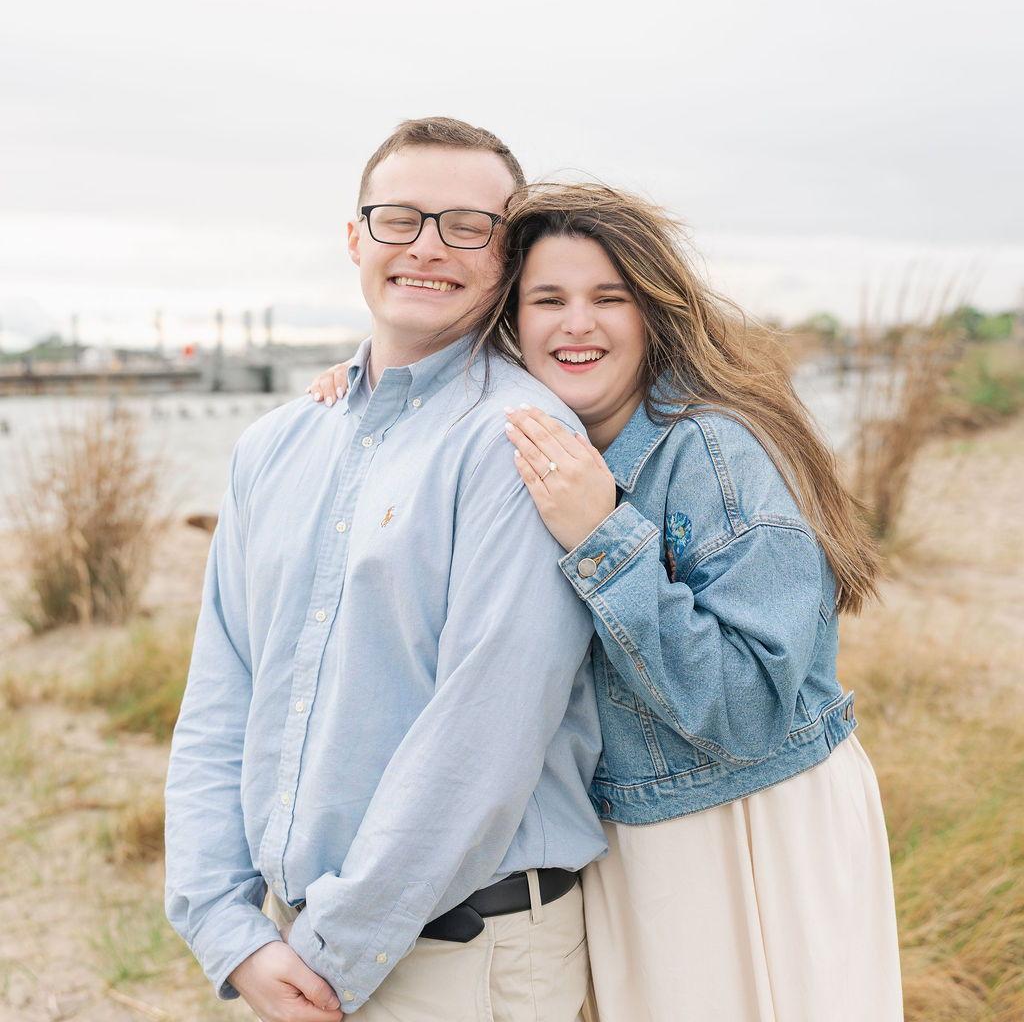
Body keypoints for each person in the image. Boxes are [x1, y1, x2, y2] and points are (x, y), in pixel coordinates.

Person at [308, 183, 904, 1020]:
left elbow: (747, 710)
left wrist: (603, 536)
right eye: (548, 300)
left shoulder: (712, 449)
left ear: (654, 312)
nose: (576, 324)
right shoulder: (549, 443)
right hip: (632, 837)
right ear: (511, 322)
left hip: (748, 825)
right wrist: (367, 383)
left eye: (609, 298)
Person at [164, 119, 608, 1022]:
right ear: (355, 236)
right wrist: (224, 925)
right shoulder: (273, 446)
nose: (427, 248)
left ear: (506, 255)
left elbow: (484, 733)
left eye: (467, 226)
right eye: (399, 218)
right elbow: (221, 696)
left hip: (465, 961)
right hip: (292, 949)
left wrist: (330, 952)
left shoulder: (520, 441)